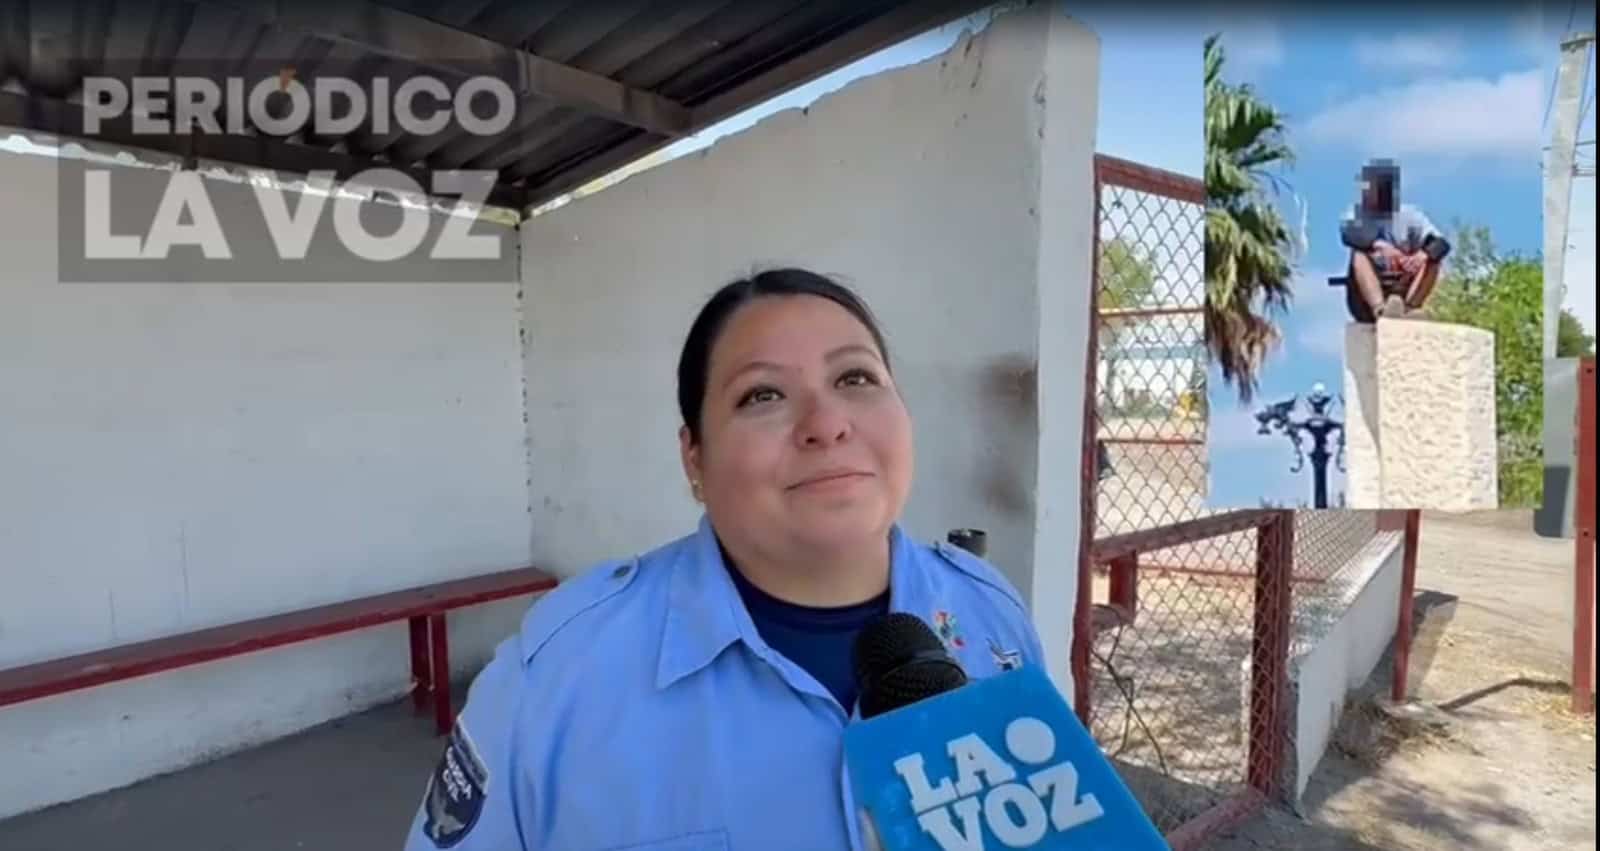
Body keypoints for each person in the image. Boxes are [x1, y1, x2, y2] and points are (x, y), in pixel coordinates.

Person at [402, 268, 1049, 851]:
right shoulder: (561, 674)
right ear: (694, 457)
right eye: (762, 395)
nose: (826, 423)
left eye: (855, 378)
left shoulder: (990, 614)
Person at [1339, 160, 1451, 322]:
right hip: (1366, 298)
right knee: (1358, 255)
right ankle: (1380, 308)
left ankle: (1411, 308)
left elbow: (1442, 245)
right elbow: (1349, 236)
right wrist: (1380, 246)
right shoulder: (1357, 215)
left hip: (1404, 285)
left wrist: (1421, 255)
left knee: (1433, 260)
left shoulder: (1410, 216)